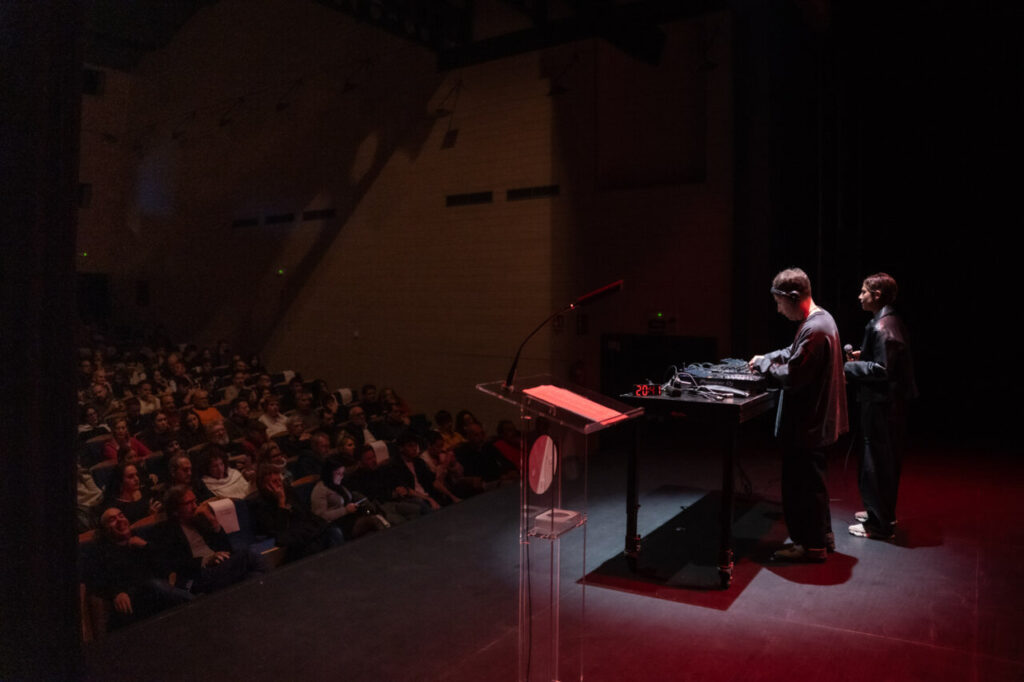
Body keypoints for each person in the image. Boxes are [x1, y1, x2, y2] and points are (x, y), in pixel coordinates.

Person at [749, 267, 848, 562]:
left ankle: (811, 546)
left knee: (801, 488)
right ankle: (821, 539)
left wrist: (765, 367)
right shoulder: (821, 320)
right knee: (813, 486)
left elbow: (793, 375)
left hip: (807, 426)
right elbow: (794, 351)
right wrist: (767, 357)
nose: (779, 311)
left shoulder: (815, 329)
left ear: (794, 298)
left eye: (780, 304)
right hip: (814, 424)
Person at [844, 273, 918, 540]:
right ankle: (880, 512)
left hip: (882, 407)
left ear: (876, 295)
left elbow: (883, 369)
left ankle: (879, 524)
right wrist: (863, 358)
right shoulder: (890, 321)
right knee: (883, 461)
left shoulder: (881, 327)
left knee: (876, 462)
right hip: (889, 406)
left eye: (863, 291)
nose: (859, 296)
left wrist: (851, 366)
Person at [151, 485, 267, 594]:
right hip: (198, 575)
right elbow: (175, 563)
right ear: (175, 510)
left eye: (195, 501)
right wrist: (206, 560)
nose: (195, 506)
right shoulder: (167, 531)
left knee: (253, 576)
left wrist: (214, 523)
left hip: (218, 567)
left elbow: (227, 549)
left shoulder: (200, 522)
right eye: (189, 503)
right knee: (247, 556)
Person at [311, 456, 387, 540]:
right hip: (337, 524)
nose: (341, 476)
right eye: (338, 473)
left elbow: (350, 497)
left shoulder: (337, 485)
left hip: (349, 517)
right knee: (373, 521)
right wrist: (345, 510)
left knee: (375, 516)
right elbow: (321, 516)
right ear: (329, 473)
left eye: (342, 473)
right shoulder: (320, 489)